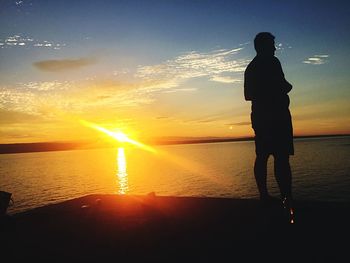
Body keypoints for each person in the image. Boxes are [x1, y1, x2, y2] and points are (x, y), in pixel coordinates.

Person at [244, 32, 294, 217]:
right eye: (272, 44)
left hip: (261, 117)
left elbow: (248, 94)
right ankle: (286, 198)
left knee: (263, 156)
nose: (274, 48)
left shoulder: (252, 67)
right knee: (280, 157)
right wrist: (280, 88)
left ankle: (265, 196)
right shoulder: (272, 63)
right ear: (263, 46)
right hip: (275, 117)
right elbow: (284, 86)